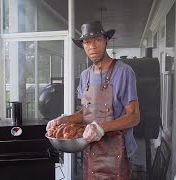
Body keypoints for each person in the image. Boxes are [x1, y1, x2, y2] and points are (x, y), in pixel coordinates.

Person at [46, 21, 140, 180]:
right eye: (87, 42)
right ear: (83, 45)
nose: (92, 46)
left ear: (106, 41)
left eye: (97, 40)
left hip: (119, 152)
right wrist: (64, 119)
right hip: (91, 151)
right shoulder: (85, 76)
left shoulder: (124, 72)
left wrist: (101, 128)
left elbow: (134, 116)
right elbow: (86, 113)